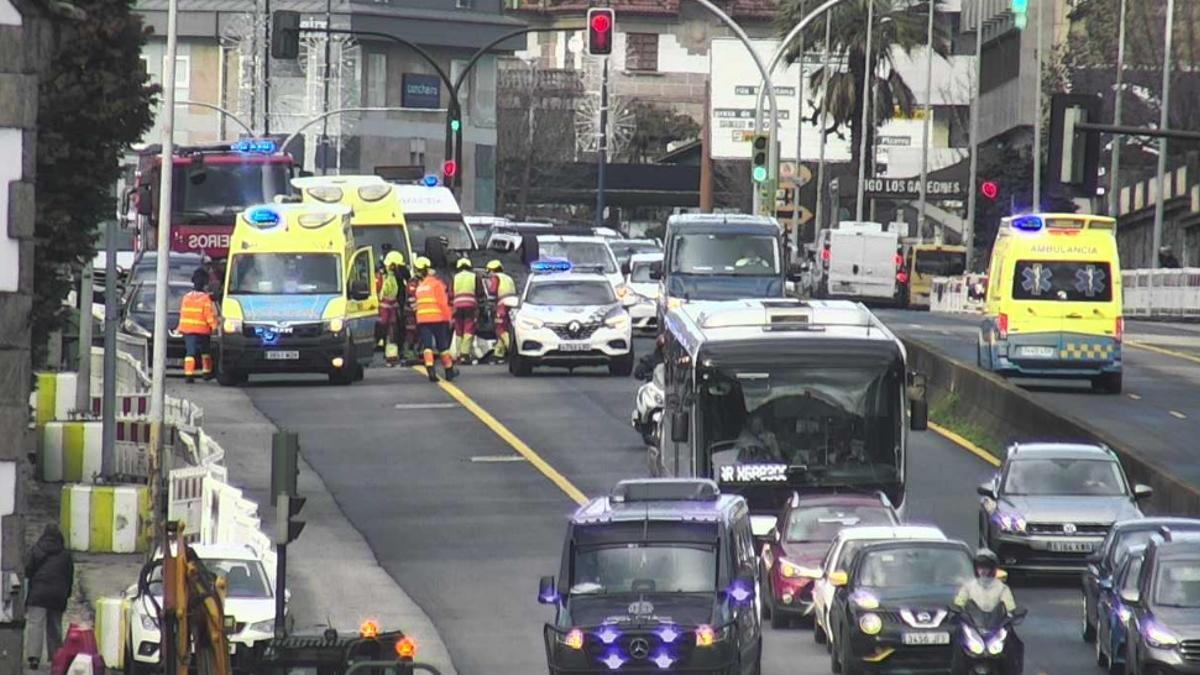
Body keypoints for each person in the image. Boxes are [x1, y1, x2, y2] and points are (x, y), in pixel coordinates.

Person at [952, 548, 1022, 674]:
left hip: (995, 628)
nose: (983, 571)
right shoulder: (968, 586)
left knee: (1013, 643)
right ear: (976, 569)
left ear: (993, 569)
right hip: (974, 628)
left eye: (987, 567)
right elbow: (959, 602)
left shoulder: (1002, 588)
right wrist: (956, 610)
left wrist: (1012, 614)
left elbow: (1010, 606)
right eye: (980, 567)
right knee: (958, 643)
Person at [24, 524, 73, 671]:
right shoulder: (65, 555)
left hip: (38, 594)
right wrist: (66, 595)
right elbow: (69, 577)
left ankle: (33, 658)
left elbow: (28, 571)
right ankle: (56, 658)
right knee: (54, 627)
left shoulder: (36, 550)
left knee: (35, 625)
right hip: (57, 595)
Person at [413, 256, 458, 382]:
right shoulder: (437, 284)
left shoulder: (420, 287)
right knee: (442, 347)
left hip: (423, 320)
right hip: (438, 319)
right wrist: (448, 318)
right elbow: (443, 303)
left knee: (427, 346)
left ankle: (430, 369)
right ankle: (449, 371)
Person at [176, 271, 219, 383]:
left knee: (190, 352)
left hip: (188, 330)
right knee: (205, 352)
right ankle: (206, 373)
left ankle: (188, 375)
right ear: (205, 284)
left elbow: (183, 313)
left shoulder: (186, 297)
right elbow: (208, 315)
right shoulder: (205, 298)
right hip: (202, 330)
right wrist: (214, 326)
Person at [485, 260, 517, 361]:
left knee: (500, 328)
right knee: (506, 328)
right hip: (512, 304)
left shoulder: (496, 277)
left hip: (502, 304)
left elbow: (493, 291)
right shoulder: (508, 278)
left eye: (489, 272)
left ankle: (512, 350)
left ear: (492, 270)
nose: (489, 274)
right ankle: (499, 353)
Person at [379, 251, 406, 367]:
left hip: (392, 310)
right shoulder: (393, 279)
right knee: (392, 332)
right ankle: (392, 355)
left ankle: (392, 354)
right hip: (393, 310)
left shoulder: (390, 278)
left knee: (392, 332)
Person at [451, 257, 481, 363]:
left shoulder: (455, 277)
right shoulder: (474, 276)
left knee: (459, 329)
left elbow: (450, 293)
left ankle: (458, 354)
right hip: (470, 305)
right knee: (469, 328)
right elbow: (479, 292)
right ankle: (465, 354)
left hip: (457, 306)